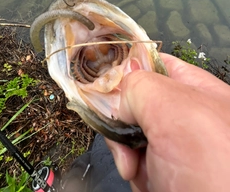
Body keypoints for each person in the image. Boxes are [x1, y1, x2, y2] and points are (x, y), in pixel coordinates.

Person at [62, 53, 230, 192]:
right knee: (103, 144)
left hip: (105, 164)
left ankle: (77, 173)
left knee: (99, 147)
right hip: (119, 157)